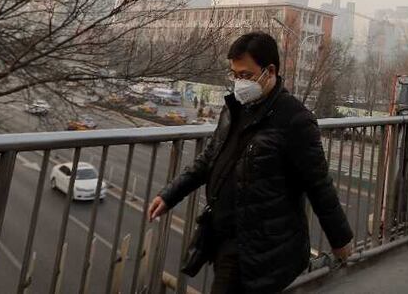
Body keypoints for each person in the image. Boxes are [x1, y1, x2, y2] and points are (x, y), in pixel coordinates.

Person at [147, 31, 353, 293]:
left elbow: (319, 186)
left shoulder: (295, 119)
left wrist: (340, 240)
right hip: (225, 236)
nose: (238, 83)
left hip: (260, 245)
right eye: (234, 75)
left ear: (270, 71)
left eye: (245, 75)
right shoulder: (235, 108)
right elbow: (210, 158)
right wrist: (169, 195)